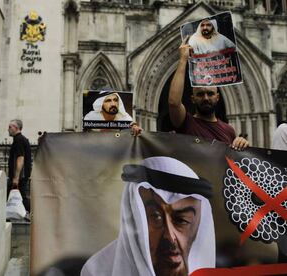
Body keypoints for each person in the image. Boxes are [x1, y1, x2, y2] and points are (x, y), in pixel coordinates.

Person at [81, 156, 215, 276]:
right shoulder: (97, 270)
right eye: (155, 217)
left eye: (181, 220)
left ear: (197, 224)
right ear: (133, 217)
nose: (169, 236)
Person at [168, 37, 248, 150]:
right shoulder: (186, 122)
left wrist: (241, 143)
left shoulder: (229, 131)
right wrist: (182, 60)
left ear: (217, 97)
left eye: (210, 94)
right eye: (200, 94)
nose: (206, 98)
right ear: (192, 98)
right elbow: (173, 103)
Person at [8, 119, 32, 212]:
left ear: (16, 128)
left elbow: (20, 159)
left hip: (19, 176)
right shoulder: (21, 139)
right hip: (21, 176)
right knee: (20, 197)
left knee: (21, 197)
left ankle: (34, 213)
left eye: (10, 127)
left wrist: (16, 177)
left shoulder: (19, 140)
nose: (8, 129)